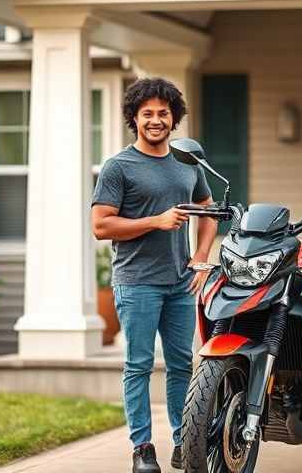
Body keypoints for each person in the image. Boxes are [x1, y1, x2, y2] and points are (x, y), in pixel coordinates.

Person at [91, 77, 218, 473]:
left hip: (180, 283)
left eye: (163, 113)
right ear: (134, 117)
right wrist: (156, 221)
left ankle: (184, 441)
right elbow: (101, 226)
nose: (156, 120)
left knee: (182, 365)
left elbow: (207, 209)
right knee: (139, 366)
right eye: (147, 113)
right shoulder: (118, 166)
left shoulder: (187, 163)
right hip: (136, 283)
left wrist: (200, 256)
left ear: (174, 117)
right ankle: (142, 448)